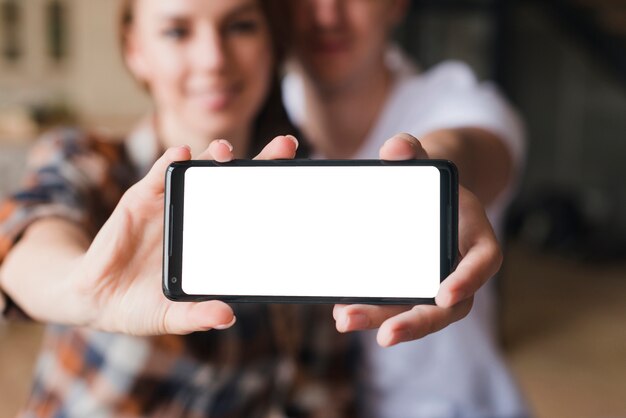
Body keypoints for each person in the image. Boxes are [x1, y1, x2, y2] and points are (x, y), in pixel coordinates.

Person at [0, 0, 505, 416]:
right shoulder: (88, 159)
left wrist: (433, 177)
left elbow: (322, 387)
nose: (214, 58)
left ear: (271, 43)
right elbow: (30, 235)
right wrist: (80, 287)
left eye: (239, 25)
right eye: (177, 31)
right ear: (136, 50)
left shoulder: (313, 194)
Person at [282, 0, 530, 417]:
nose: (326, 15)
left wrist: (428, 175)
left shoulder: (457, 99)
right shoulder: (263, 118)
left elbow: (470, 149)